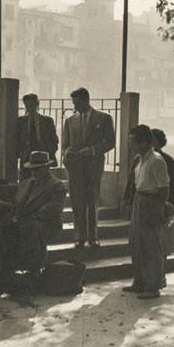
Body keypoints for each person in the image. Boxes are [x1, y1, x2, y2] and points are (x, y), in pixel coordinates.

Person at [0, 151, 67, 274]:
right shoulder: (25, 183)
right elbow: (16, 205)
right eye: (32, 169)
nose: (33, 172)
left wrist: (28, 216)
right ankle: (8, 267)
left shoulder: (56, 185)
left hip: (47, 223)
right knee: (2, 226)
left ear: (46, 168)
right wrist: (4, 206)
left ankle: (33, 267)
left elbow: (53, 208)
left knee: (30, 227)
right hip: (24, 220)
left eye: (37, 169)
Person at [63, 87, 115, 248]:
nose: (75, 107)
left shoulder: (104, 118)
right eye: (74, 103)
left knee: (92, 201)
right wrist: (67, 158)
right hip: (75, 168)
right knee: (77, 201)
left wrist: (93, 151)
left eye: (77, 103)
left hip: (94, 167)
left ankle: (92, 237)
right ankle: (79, 237)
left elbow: (110, 142)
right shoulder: (70, 121)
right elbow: (65, 145)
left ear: (86, 100)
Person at [123, 125, 170, 299]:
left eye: (132, 142)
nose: (130, 145)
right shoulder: (140, 160)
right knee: (136, 243)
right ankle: (139, 282)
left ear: (143, 143)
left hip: (151, 202)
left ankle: (152, 286)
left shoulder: (156, 161)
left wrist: (154, 205)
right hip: (139, 200)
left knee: (151, 245)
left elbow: (163, 190)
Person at [152, 128, 174, 287]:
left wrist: (169, 206)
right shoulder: (142, 157)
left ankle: (161, 275)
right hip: (148, 205)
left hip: (162, 205)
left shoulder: (168, 161)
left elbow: (172, 186)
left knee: (162, 244)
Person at [17, 93, 59, 180]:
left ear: (37, 104)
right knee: (25, 181)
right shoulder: (21, 121)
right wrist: (21, 153)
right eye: (27, 106)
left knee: (43, 181)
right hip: (26, 156)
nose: (29, 109)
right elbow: (17, 139)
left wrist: (49, 152)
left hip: (42, 156)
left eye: (32, 105)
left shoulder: (47, 120)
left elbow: (54, 139)